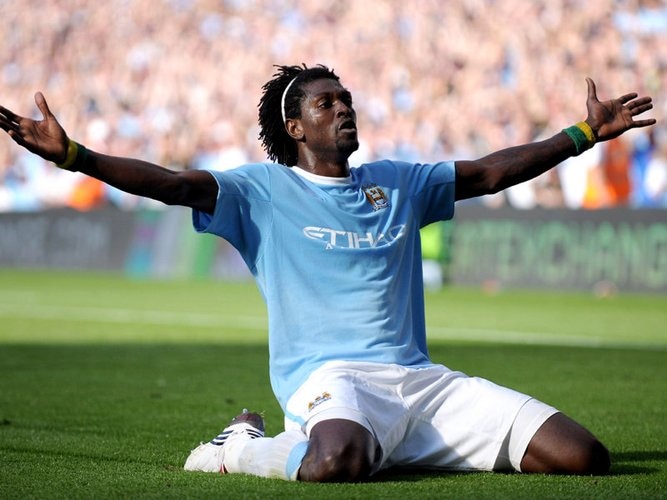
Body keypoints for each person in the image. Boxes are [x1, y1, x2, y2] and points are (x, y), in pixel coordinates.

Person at [0, 64, 655, 482]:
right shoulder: (259, 190)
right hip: (330, 380)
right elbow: (171, 184)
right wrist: (76, 156)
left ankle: (386, 446)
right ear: (294, 126)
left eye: (346, 99)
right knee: (335, 461)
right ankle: (240, 446)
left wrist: (580, 134)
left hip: (421, 381)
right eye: (325, 103)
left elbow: (488, 173)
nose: (343, 108)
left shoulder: (399, 181)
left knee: (582, 457)